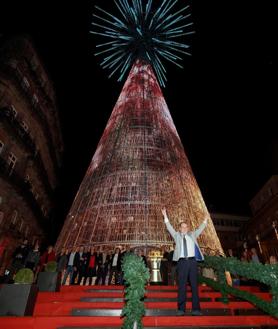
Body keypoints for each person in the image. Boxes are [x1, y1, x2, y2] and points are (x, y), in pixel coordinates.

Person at [162, 207, 208, 316]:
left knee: (194, 285)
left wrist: (205, 219)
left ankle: (196, 309)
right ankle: (181, 309)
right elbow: (169, 228)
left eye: (186, 227)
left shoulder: (192, 235)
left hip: (192, 262)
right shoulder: (177, 236)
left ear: (188, 228)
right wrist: (165, 215)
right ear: (180, 228)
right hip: (182, 262)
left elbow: (200, 229)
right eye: (182, 227)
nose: (184, 228)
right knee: (182, 285)